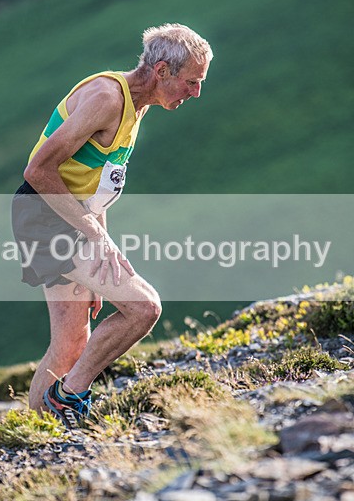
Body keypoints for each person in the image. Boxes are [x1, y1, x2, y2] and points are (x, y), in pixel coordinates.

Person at [11, 23, 212, 428]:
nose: (196, 93)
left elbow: (96, 185)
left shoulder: (138, 107)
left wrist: (105, 252)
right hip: (45, 215)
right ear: (161, 71)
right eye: (192, 82)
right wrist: (95, 236)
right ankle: (69, 397)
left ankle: (33, 432)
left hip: (65, 215)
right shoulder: (106, 99)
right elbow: (38, 170)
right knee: (144, 307)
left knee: (71, 344)